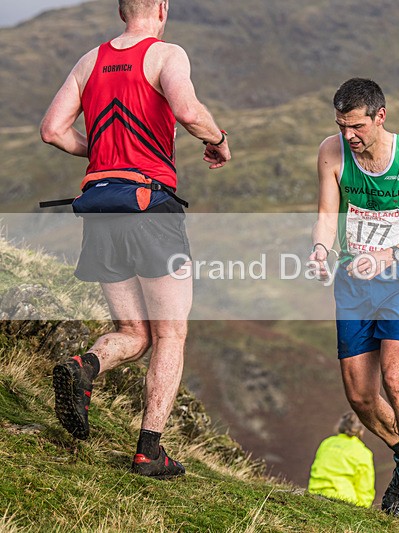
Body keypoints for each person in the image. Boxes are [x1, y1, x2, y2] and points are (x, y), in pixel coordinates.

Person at [40, 0, 231, 479]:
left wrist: (101, 154)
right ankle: (149, 451)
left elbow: (52, 131)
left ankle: (86, 364)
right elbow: (188, 111)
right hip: (149, 206)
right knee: (170, 332)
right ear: (162, 7)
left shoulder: (90, 61)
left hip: (100, 205)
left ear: (122, 9)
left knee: (133, 332)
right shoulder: (167, 55)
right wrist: (219, 138)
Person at [309, 78, 399, 522]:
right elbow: (327, 215)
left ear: (379, 116)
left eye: (356, 126)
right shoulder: (331, 152)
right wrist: (319, 250)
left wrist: (392, 254)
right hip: (352, 284)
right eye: (341, 125)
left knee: (396, 379)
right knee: (360, 396)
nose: (349, 135)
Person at [308, 412, 375, 508]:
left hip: (315, 493)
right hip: (344, 500)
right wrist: (362, 508)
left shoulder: (326, 443)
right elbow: (365, 487)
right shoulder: (362, 452)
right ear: (360, 430)